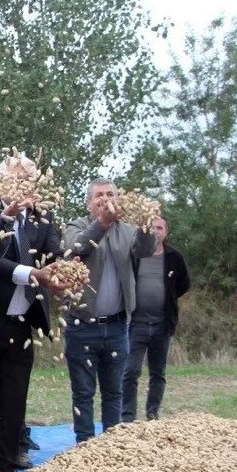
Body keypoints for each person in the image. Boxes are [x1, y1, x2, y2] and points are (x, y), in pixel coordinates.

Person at [0, 156, 68, 472]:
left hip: (23, 322)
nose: (21, 185)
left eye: (27, 179)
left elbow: (56, 255)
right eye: (14, 179)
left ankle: (8, 465)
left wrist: (66, 274)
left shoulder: (41, 217)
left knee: (14, 399)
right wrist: (35, 273)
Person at [62, 179, 156, 443]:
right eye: (99, 195)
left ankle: (111, 446)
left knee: (114, 392)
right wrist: (102, 223)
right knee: (83, 392)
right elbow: (75, 249)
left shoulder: (127, 229)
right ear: (89, 202)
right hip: (82, 324)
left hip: (117, 326)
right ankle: (85, 446)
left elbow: (146, 250)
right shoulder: (76, 226)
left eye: (110, 194)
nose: (105, 199)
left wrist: (147, 223)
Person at [122, 216, 191, 422]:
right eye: (152, 227)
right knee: (130, 371)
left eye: (160, 227)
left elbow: (184, 284)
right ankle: (127, 417)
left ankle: (152, 414)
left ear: (166, 232)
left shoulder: (174, 257)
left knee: (158, 373)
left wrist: (166, 298)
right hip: (136, 323)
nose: (156, 231)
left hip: (162, 324)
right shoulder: (135, 255)